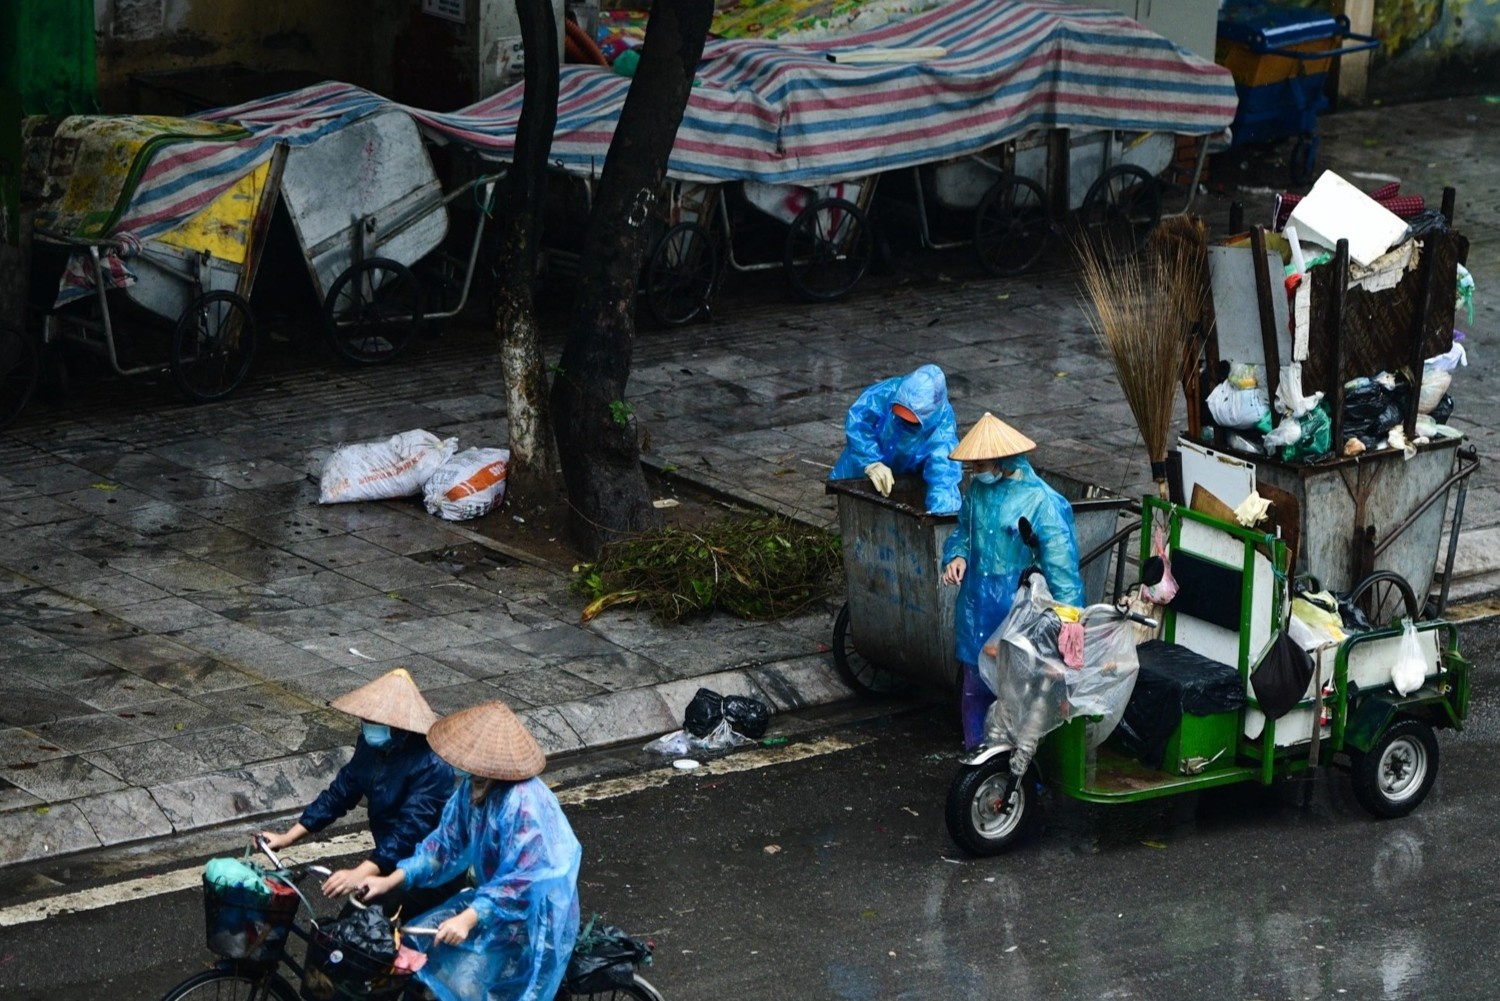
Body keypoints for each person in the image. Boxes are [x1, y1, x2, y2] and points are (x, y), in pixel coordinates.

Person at [358, 700, 581, 1001]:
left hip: (533, 915)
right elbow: (442, 848)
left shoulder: (523, 805)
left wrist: (469, 918)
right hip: (492, 902)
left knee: (480, 987)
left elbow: (523, 883)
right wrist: (391, 880)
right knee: (414, 939)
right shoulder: (472, 789)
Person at [941, 413, 1084, 749]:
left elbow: (1061, 566)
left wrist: (1070, 619)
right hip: (976, 606)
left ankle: (1014, 767)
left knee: (1018, 696)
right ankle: (978, 755)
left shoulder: (1041, 502)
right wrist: (956, 556)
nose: (974, 470)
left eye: (979, 464)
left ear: (1002, 460)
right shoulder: (978, 491)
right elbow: (963, 532)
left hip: (1017, 611)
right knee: (974, 689)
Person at [257, 668, 456, 908]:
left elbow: (411, 830)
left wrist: (362, 871)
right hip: (386, 861)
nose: (368, 726)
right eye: (366, 719)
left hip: (428, 871)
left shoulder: (432, 765)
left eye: (375, 721)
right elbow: (340, 793)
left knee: (362, 924)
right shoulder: (371, 747)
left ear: (399, 724)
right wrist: (288, 837)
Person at [830, 363, 963, 514]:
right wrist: (870, 461)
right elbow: (858, 419)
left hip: (904, 487)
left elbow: (943, 479)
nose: (903, 422)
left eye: (911, 422)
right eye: (899, 415)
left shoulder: (942, 433)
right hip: (860, 468)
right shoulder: (891, 391)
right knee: (852, 509)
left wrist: (940, 516)